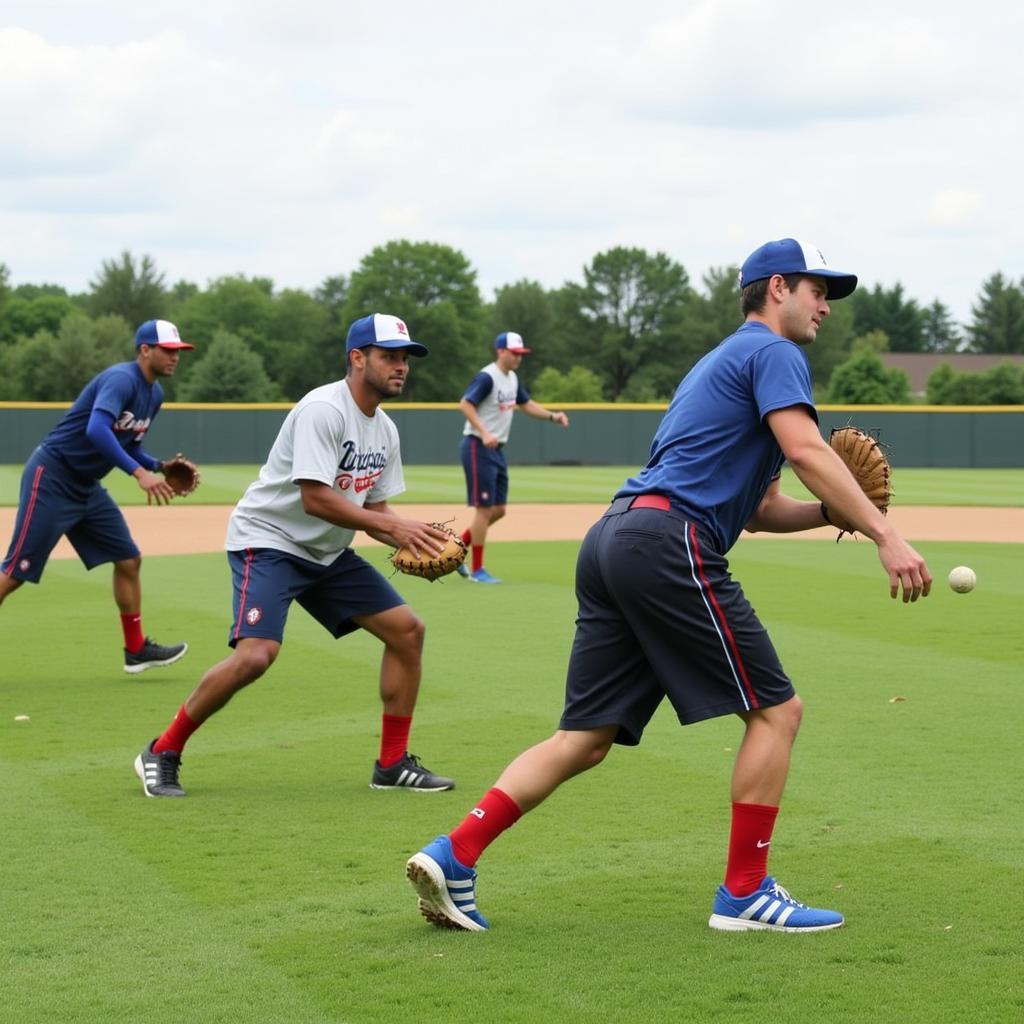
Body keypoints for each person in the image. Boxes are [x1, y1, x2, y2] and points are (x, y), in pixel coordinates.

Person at [406, 239, 933, 933]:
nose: (826, 306)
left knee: (585, 737)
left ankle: (455, 853)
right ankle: (745, 894)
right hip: (665, 544)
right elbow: (808, 450)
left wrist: (829, 514)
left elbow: (762, 506)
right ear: (777, 288)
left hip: (614, 539)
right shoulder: (774, 353)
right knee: (778, 712)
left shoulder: (714, 364)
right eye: (817, 290)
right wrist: (884, 534)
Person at [134, 313, 458, 799]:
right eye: (389, 356)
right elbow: (315, 497)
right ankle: (162, 750)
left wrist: (414, 538)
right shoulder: (322, 410)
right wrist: (394, 526)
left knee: (408, 631)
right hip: (268, 540)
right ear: (357, 358)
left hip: (327, 550)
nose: (401, 367)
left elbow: (374, 508)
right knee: (256, 655)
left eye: (405, 358)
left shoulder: (385, 430)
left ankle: (391, 764)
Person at [1, 319, 193, 674]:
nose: (175, 357)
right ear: (144, 350)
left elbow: (128, 442)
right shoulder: (121, 380)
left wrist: (157, 465)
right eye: (168, 350)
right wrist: (139, 474)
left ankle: (135, 650)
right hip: (53, 477)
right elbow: (96, 430)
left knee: (128, 559)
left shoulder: (155, 395)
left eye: (178, 351)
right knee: (16, 571)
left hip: (86, 486)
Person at [456, 331, 569, 583]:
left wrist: (552, 415)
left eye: (521, 354)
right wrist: (483, 432)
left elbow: (526, 404)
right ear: (501, 351)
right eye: (515, 353)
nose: (518, 358)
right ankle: (477, 570)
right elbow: (465, 404)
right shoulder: (488, 377)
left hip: (495, 449)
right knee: (484, 510)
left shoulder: (512, 378)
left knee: (498, 510)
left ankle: (456, 550)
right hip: (478, 446)